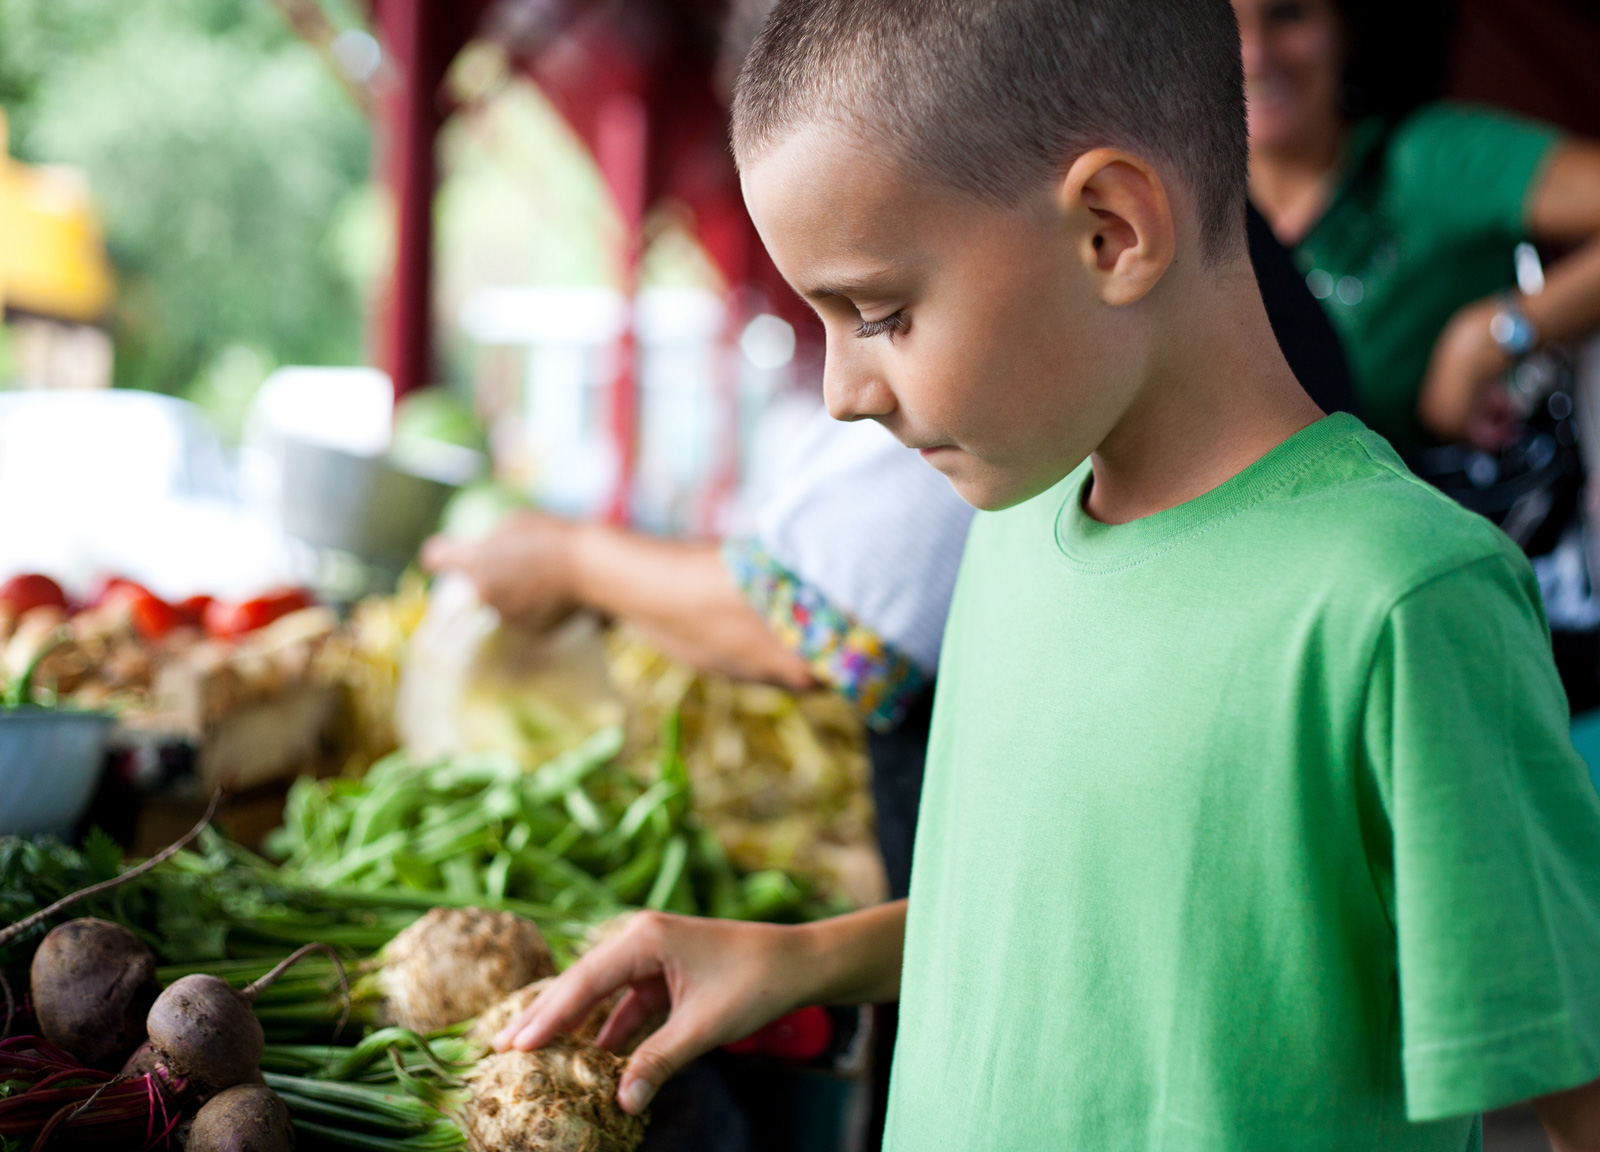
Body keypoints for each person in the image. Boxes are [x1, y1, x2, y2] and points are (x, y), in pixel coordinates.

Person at [490, 1, 1600, 1148]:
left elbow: (1575, 1081)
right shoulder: (1013, 526)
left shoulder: (1402, 603)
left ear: (1110, 232)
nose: (841, 390)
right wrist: (802, 959)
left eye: (878, 314)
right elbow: (1073, 927)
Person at [1236, 0, 1600, 452]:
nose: (1255, 53)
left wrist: (1497, 334)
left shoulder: (1428, 159)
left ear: (1347, 29)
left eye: (1288, 15)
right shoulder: (1181, 217)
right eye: (1221, 20)